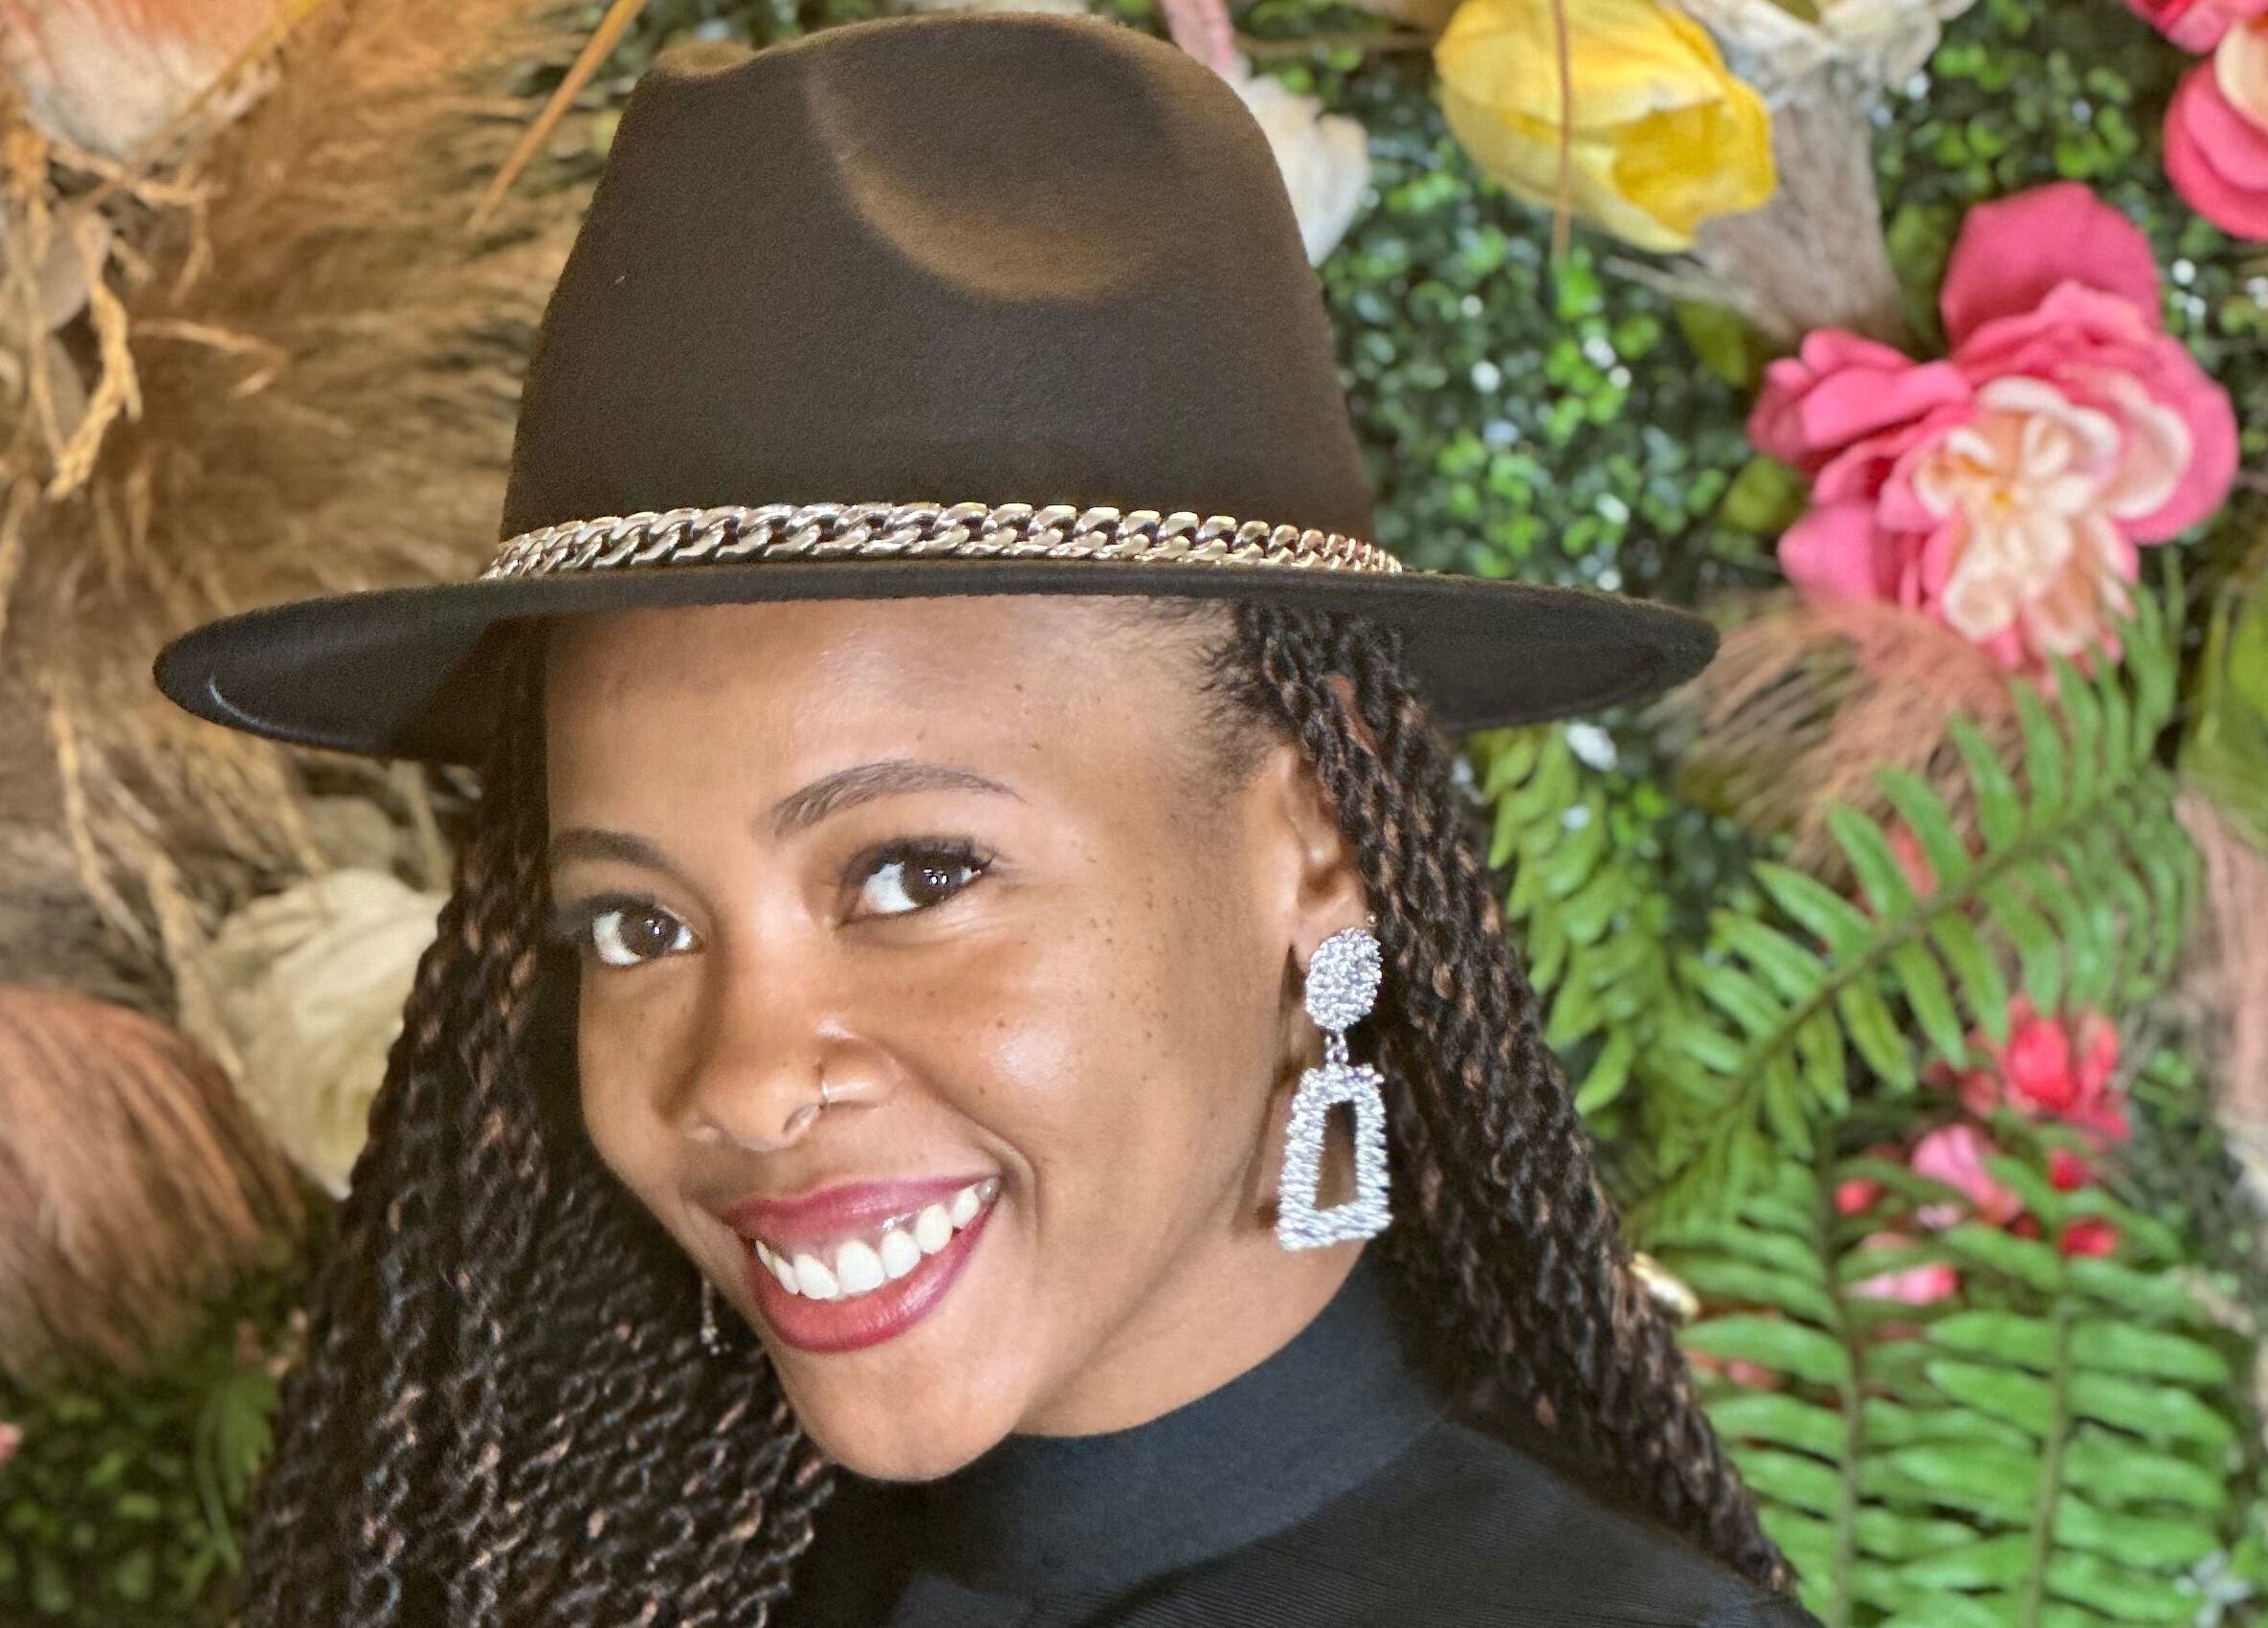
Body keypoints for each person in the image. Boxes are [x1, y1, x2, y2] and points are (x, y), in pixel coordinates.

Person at [154, 11, 1827, 1626]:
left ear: (1311, 845)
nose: (739, 1078)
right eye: (637, 924)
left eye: (911, 872)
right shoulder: (622, 1578)